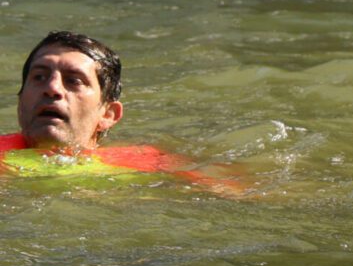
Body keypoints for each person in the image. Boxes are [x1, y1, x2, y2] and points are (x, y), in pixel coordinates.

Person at [1, 31, 244, 196]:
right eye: (39, 77)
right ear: (20, 102)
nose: (52, 88)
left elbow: (242, 195)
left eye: (74, 81)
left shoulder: (150, 165)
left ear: (108, 114)